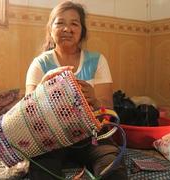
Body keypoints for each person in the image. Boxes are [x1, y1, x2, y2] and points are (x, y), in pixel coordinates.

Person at [25, 1, 127, 179]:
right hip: (52, 139)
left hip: (92, 137)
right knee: (40, 169)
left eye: (74, 23)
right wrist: (42, 90)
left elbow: (108, 112)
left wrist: (94, 101)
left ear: (82, 31)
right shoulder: (40, 64)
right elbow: (27, 113)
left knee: (112, 167)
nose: (67, 29)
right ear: (50, 29)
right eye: (60, 23)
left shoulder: (97, 60)